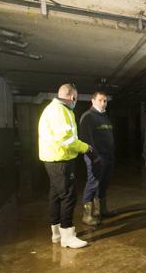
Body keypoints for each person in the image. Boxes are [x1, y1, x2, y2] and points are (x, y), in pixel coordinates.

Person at [39, 83, 92, 249]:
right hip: (61, 159)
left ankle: (56, 233)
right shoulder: (61, 111)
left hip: (52, 159)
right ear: (72, 96)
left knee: (55, 195)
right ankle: (67, 235)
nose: (75, 101)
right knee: (69, 196)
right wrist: (85, 147)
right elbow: (66, 139)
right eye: (75, 98)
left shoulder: (51, 109)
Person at [79, 91, 116, 226]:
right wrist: (94, 157)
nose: (103, 103)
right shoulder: (88, 117)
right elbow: (85, 139)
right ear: (93, 101)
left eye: (105, 101)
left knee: (104, 184)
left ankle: (101, 210)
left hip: (108, 157)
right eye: (100, 100)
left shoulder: (104, 116)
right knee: (92, 184)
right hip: (96, 158)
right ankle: (87, 216)